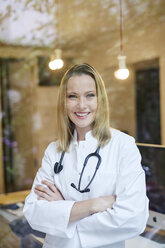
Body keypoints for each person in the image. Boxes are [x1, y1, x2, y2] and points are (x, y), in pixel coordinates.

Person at [23, 63, 149, 248]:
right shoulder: (54, 150)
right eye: (72, 96)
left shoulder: (123, 145)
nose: (81, 105)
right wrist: (94, 205)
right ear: (64, 102)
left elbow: (133, 218)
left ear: (100, 99)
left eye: (90, 95)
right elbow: (33, 212)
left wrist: (64, 211)